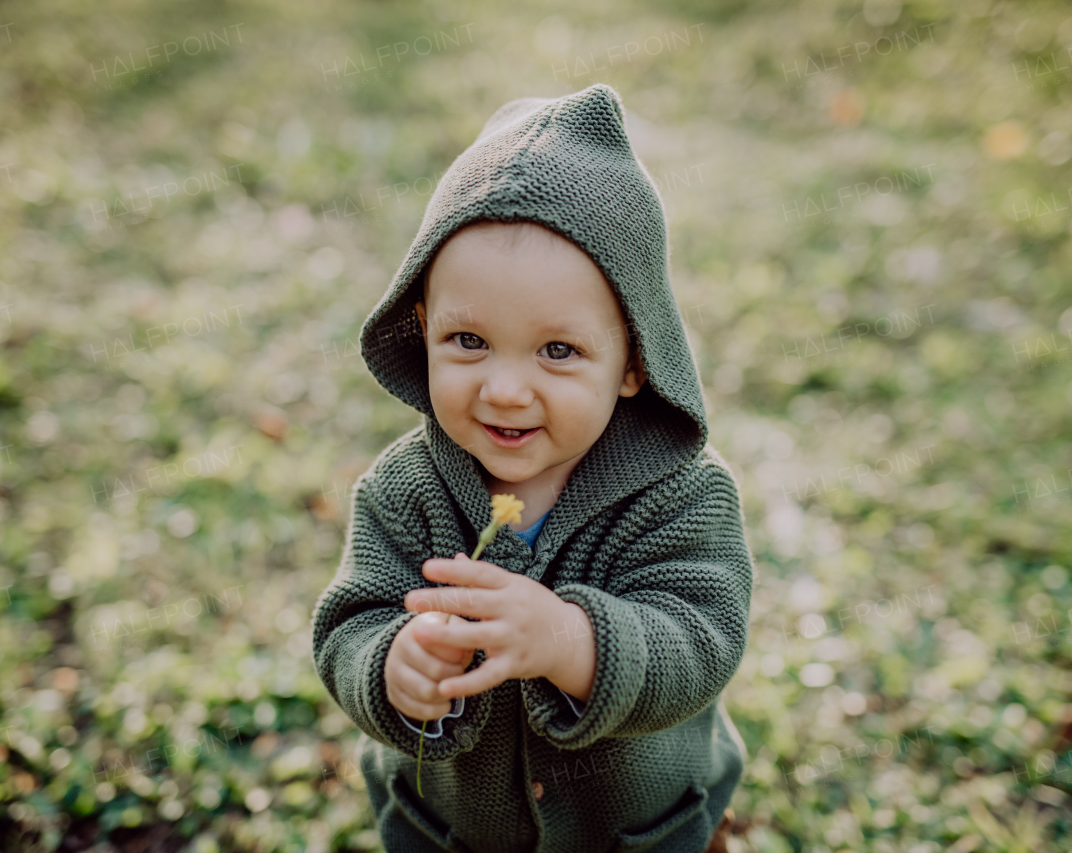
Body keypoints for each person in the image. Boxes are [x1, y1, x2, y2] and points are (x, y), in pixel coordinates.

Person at [312, 83, 752, 853]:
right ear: (421, 328)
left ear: (634, 362)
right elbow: (353, 622)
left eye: (558, 351)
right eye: (468, 341)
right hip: (453, 830)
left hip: (635, 831)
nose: (505, 388)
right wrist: (392, 668)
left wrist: (570, 638)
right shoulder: (402, 492)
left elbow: (703, 638)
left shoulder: (683, 494)